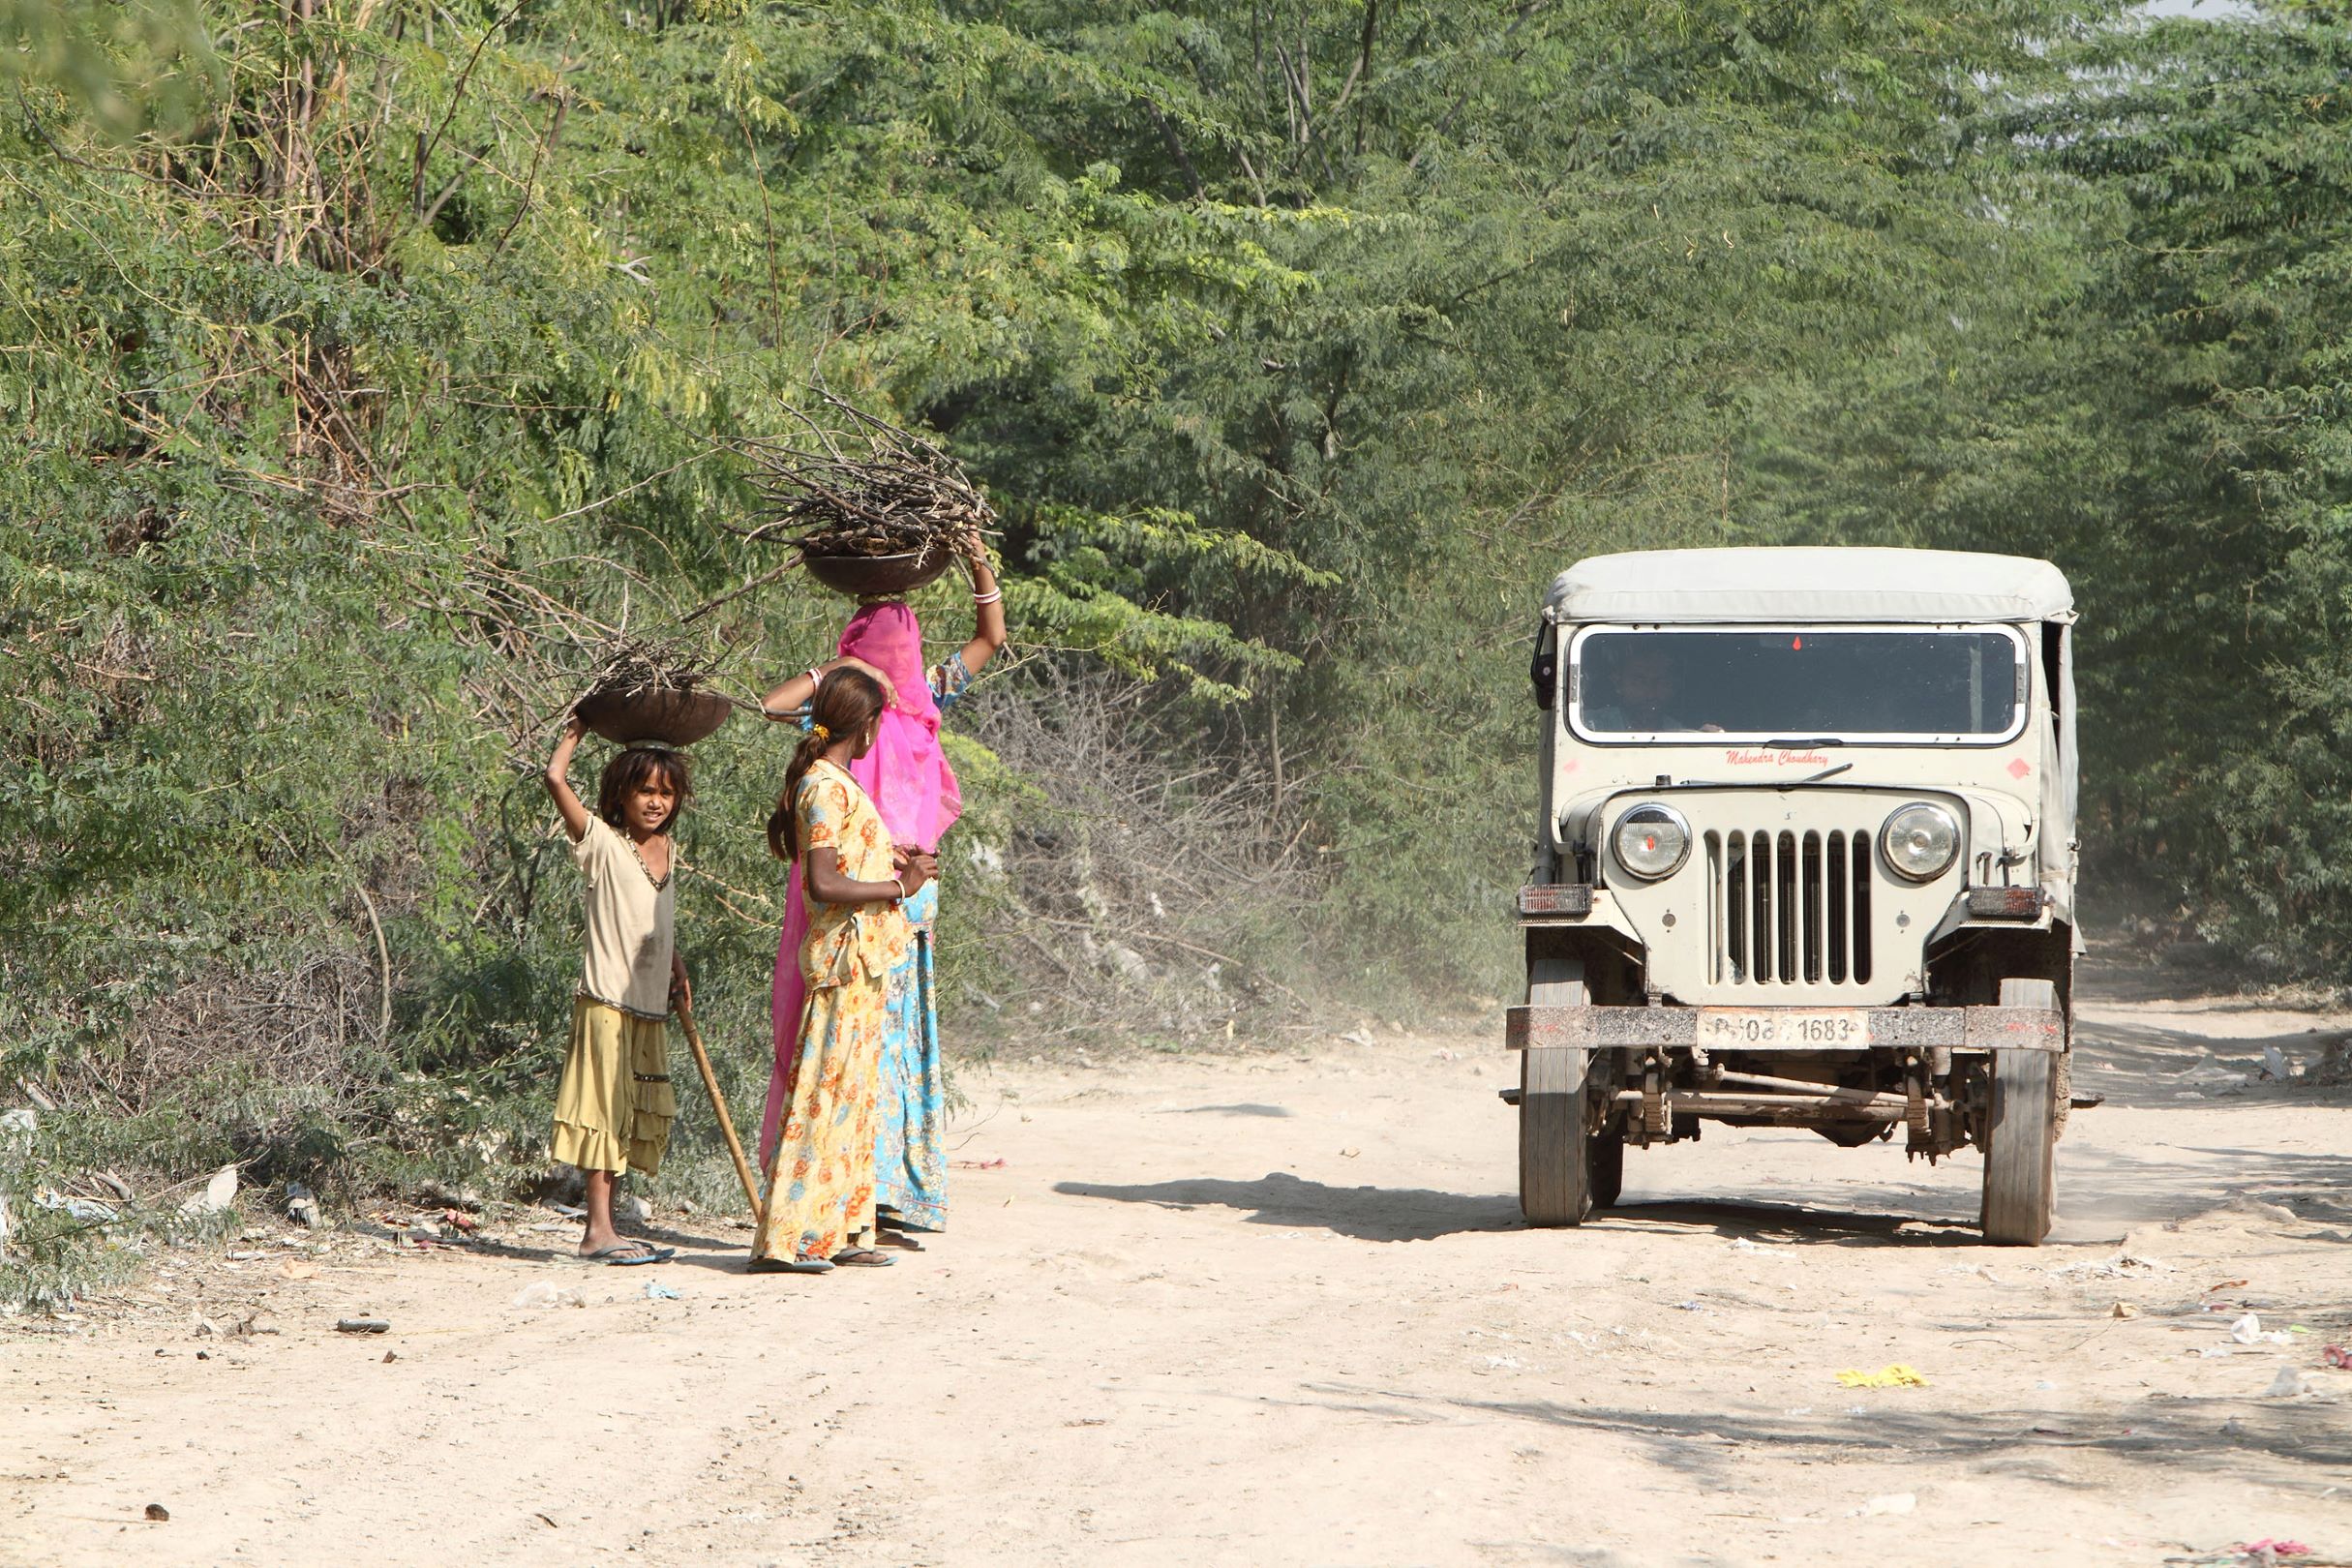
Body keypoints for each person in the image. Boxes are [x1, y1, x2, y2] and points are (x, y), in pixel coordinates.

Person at [756, 530, 1005, 1247]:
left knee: (894, 1042)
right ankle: (854, 1196)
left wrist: (975, 556)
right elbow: (772, 704)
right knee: (859, 1043)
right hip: (856, 898)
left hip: (909, 900)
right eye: (883, 645)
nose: (899, 659)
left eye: (904, 643)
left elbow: (993, 633)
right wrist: (842, 669)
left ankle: (887, 1193)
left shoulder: (927, 702)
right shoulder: (852, 716)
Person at [751, 670, 937, 1274]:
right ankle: (783, 1239)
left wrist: (890, 858)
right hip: (843, 959)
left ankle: (840, 1230)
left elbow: (841, 860)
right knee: (821, 1094)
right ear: (867, 727)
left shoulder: (836, 784)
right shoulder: (824, 788)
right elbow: (822, 883)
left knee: (854, 1100)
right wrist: (897, 886)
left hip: (863, 963)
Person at [542, 721, 692, 1265]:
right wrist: (577, 728)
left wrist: (674, 964)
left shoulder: (667, 850)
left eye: (666, 793)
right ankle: (597, 1232)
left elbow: (655, 918)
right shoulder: (601, 842)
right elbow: (554, 777)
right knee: (602, 1112)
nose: (656, 803)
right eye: (645, 791)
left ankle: (610, 1228)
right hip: (606, 1000)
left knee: (629, 1112)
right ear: (622, 794)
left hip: (649, 1002)